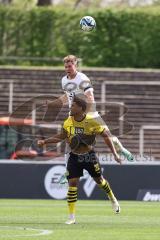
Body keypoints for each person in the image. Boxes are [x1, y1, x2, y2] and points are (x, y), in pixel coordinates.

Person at [47, 55, 133, 183]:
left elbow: (90, 96)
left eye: (70, 66)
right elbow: (68, 96)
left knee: (106, 134)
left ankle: (120, 149)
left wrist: (86, 113)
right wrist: (56, 103)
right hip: (73, 115)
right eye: (65, 66)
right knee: (68, 141)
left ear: (75, 65)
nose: (67, 68)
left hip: (89, 112)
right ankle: (67, 171)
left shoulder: (82, 78)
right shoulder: (64, 80)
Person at [38, 94, 122, 225]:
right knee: (72, 183)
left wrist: (115, 154)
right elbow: (61, 136)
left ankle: (112, 197)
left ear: (81, 108)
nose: (70, 107)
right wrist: (45, 141)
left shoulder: (91, 121)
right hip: (74, 156)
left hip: (89, 156)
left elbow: (106, 136)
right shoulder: (68, 122)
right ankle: (71, 217)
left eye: (73, 105)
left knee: (99, 180)